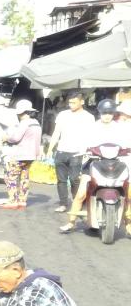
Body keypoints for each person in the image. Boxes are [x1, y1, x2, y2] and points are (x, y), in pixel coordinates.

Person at [60, 98, 131, 231]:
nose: (107, 116)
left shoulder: (119, 128)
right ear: (100, 113)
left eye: (110, 113)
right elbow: (84, 143)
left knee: (126, 192)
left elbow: (126, 143)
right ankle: (71, 222)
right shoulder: (93, 127)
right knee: (81, 193)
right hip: (93, 162)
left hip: (114, 163)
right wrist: (83, 150)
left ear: (113, 113)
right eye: (104, 113)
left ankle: (128, 224)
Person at [47, 92, 94, 213]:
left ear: (82, 102)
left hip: (77, 153)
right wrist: (50, 148)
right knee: (61, 180)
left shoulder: (88, 117)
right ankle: (63, 203)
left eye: (74, 102)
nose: (71, 105)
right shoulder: (63, 115)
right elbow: (56, 132)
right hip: (61, 151)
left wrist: (87, 152)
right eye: (69, 102)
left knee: (75, 179)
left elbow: (90, 136)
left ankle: (77, 202)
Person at [0, 99, 42, 209]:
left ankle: (13, 200)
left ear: (22, 112)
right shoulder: (36, 123)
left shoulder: (25, 123)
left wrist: (6, 138)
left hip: (20, 154)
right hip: (31, 155)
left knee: (11, 176)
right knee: (24, 177)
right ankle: (22, 200)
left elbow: (15, 138)